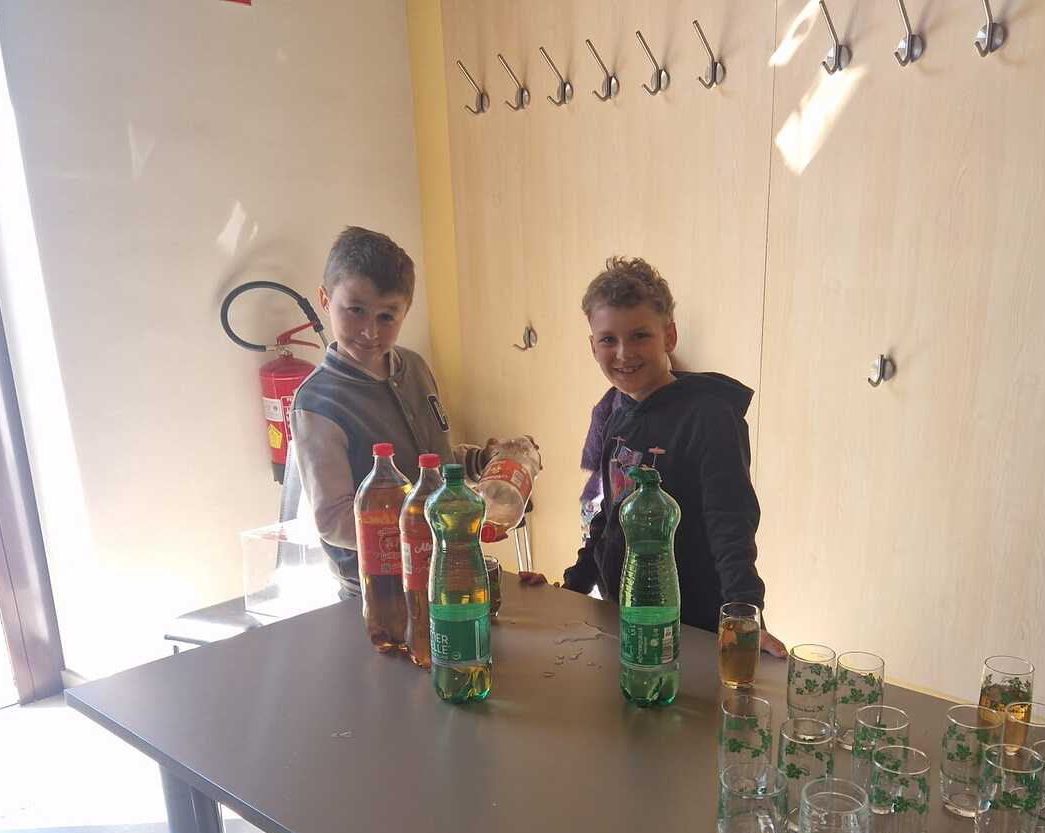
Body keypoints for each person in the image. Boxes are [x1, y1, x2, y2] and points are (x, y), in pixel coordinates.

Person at [561, 257, 786, 656]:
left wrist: (743, 616)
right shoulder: (616, 413)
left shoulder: (709, 416)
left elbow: (731, 522)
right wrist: (571, 588)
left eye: (640, 336)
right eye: (608, 339)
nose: (624, 353)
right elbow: (609, 517)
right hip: (624, 617)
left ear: (669, 336)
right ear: (592, 346)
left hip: (693, 627)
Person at [290, 227, 519, 596]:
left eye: (387, 316)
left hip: (445, 571)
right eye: (356, 310)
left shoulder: (414, 367)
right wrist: (436, 526)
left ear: (405, 312)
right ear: (325, 299)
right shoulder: (318, 403)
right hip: (378, 590)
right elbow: (334, 521)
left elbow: (433, 464)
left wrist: (481, 461)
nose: (370, 331)